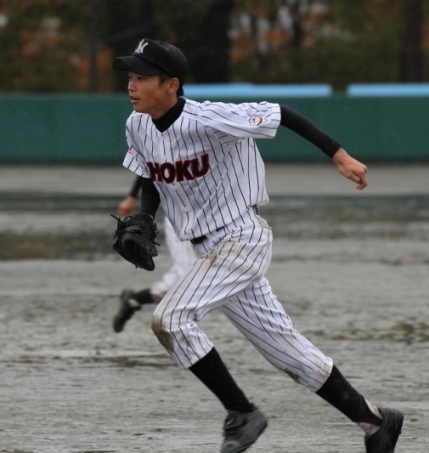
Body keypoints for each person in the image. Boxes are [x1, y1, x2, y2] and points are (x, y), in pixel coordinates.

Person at [112, 38, 404, 453]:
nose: (132, 85)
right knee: (286, 350)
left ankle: (242, 412)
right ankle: (375, 423)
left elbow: (281, 113)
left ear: (171, 84)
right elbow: (150, 172)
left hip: (240, 238)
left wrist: (338, 155)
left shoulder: (208, 119)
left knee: (171, 320)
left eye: (142, 77)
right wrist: (144, 215)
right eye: (130, 76)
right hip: (207, 251)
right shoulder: (137, 124)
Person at [113, 175, 196, 332]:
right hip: (180, 218)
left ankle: (134, 300)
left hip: (214, 218)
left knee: (192, 275)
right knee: (190, 275)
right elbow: (148, 167)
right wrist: (132, 196)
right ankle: (175, 325)